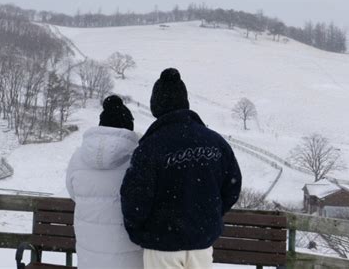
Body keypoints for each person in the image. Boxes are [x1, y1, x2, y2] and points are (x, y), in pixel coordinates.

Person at [120, 68, 242, 269]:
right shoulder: (215, 142)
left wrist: (139, 229)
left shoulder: (150, 147)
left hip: (162, 245)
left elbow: (135, 199)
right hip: (201, 244)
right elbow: (232, 188)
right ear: (185, 102)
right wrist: (208, 215)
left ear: (156, 106)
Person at [66, 95, 143, 269]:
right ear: (129, 127)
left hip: (90, 251)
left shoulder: (78, 156)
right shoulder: (137, 157)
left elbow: (73, 192)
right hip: (127, 252)